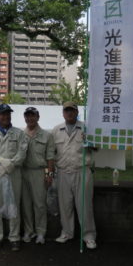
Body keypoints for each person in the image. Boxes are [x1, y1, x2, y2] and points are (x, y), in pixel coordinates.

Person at [51, 102, 97, 250]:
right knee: (65, 205)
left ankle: (89, 236)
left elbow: (97, 148)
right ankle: (66, 232)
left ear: (77, 112)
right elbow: (52, 152)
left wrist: (89, 140)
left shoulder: (87, 128)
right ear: (63, 113)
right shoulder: (56, 130)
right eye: (67, 111)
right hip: (63, 172)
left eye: (72, 111)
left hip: (82, 171)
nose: (69, 113)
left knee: (84, 205)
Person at [0, 103, 27, 251]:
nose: (6, 116)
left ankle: (14, 237)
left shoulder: (19, 133)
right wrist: (1, 162)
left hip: (13, 173)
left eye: (8, 113)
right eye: (2, 114)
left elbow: (22, 153)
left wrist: (11, 164)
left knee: (14, 205)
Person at [21, 107, 55, 245]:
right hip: (23, 172)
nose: (30, 118)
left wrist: (49, 174)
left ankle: (41, 232)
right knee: (26, 204)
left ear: (38, 117)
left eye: (33, 116)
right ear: (25, 118)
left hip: (39, 172)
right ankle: (29, 231)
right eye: (28, 116)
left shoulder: (47, 135)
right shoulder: (20, 134)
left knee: (40, 204)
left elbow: (50, 157)